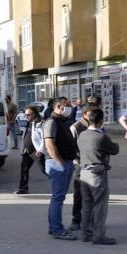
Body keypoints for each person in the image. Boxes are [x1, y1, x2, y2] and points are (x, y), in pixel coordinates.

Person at [77, 109, 120, 245]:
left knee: (87, 205)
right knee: (100, 206)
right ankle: (98, 235)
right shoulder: (101, 137)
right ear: (101, 121)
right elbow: (115, 149)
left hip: (83, 173)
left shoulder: (82, 135)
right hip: (97, 174)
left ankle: (86, 234)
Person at [43, 96, 79, 240]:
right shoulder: (52, 122)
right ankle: (57, 229)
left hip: (65, 162)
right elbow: (50, 145)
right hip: (57, 164)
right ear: (58, 106)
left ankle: (54, 227)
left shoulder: (62, 121)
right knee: (58, 197)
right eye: (66, 104)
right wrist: (60, 163)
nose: (69, 106)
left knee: (59, 197)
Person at [68, 105, 95, 231]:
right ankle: (76, 220)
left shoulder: (95, 125)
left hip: (93, 165)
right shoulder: (76, 127)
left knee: (92, 194)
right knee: (78, 194)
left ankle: (91, 220)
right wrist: (77, 162)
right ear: (84, 113)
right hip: (80, 165)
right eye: (91, 113)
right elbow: (71, 147)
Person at [14, 106, 42, 194]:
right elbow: (26, 135)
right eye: (25, 115)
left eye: (28, 115)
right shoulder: (29, 122)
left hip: (36, 151)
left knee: (45, 168)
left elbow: (44, 137)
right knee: (24, 169)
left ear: (34, 114)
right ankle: (23, 188)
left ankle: (58, 183)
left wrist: (40, 149)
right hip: (27, 150)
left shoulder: (40, 123)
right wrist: (23, 148)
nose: (26, 117)